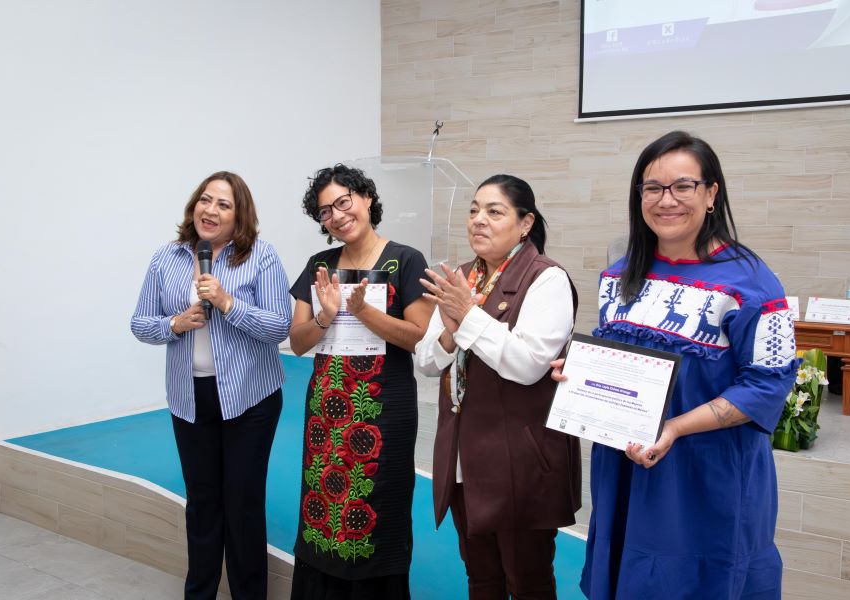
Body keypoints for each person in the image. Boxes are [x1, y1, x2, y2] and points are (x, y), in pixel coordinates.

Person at [553, 131, 796, 599]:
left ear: (710, 194)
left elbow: (767, 386)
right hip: (627, 465)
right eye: (652, 188)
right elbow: (622, 362)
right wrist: (580, 375)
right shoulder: (620, 275)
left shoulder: (751, 283)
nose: (666, 200)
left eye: (682, 186)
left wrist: (676, 428)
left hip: (706, 477)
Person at [414, 174, 582, 600]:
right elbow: (427, 361)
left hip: (520, 460)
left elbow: (527, 365)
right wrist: (450, 332)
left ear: (525, 224)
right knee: (481, 579)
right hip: (462, 458)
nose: (478, 221)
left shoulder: (547, 279)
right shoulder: (462, 277)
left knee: (526, 581)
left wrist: (466, 317)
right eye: (473, 211)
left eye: (494, 211)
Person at [131, 171, 291, 600]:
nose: (211, 210)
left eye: (223, 204)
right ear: (194, 206)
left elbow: (280, 326)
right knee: (202, 503)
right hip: (190, 398)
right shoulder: (168, 258)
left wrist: (227, 303)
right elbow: (140, 323)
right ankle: (199, 593)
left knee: (242, 504)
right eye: (205, 200)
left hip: (250, 398)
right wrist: (175, 323)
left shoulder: (261, 256)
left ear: (240, 215)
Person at [288, 164, 432, 600]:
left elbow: (418, 337)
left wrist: (365, 312)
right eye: (325, 211)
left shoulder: (404, 260)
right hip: (326, 415)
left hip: (383, 412)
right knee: (323, 509)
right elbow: (297, 342)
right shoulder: (320, 265)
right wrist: (327, 315)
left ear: (367, 198)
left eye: (343, 202)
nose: (336, 215)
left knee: (379, 505)